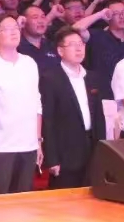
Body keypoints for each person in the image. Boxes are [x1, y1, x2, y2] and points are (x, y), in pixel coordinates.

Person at [0, 14, 42, 195]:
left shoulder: (30, 63)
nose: (14, 32)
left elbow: (37, 105)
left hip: (28, 145)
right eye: (7, 29)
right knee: (0, 201)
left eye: (16, 28)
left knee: (25, 200)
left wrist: (38, 141)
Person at [38, 27, 106, 188]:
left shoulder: (92, 77)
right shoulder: (50, 78)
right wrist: (52, 158)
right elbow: (48, 121)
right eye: (73, 45)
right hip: (65, 152)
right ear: (60, 51)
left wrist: (103, 151)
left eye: (81, 44)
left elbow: (99, 118)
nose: (79, 48)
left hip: (91, 148)